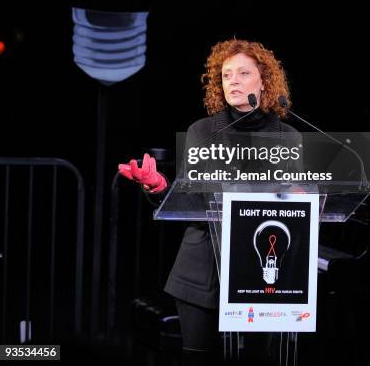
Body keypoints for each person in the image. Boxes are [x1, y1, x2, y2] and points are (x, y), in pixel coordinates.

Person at [118, 38, 301, 365]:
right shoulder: (202, 132)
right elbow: (190, 200)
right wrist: (159, 187)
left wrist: (301, 199)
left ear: (264, 81)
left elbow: (292, 205)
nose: (233, 80)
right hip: (201, 273)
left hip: (263, 277)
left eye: (243, 73)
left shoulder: (288, 138)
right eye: (227, 74)